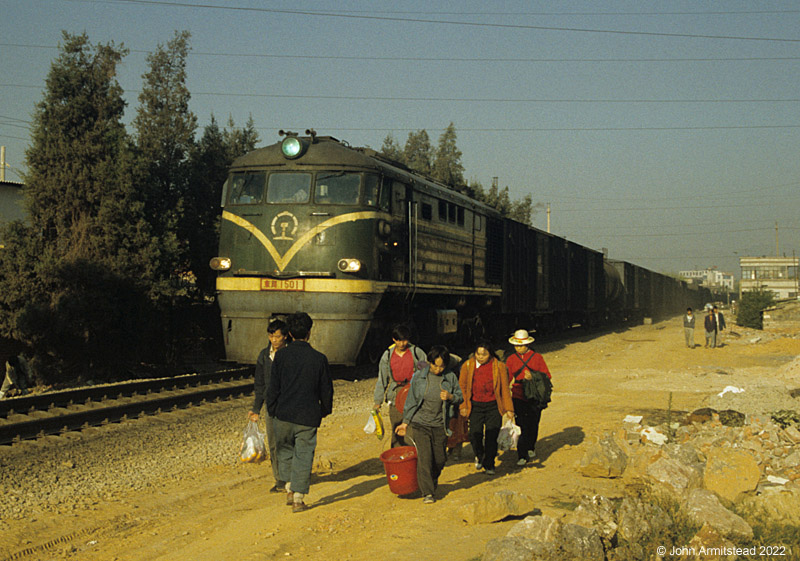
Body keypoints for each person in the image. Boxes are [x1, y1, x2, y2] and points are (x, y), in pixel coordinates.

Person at [266, 312, 333, 513]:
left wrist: (272, 409)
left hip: (283, 414)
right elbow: (326, 390)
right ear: (309, 332)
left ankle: (287, 488)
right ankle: (297, 498)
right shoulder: (319, 359)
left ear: (289, 334)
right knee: (303, 455)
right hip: (307, 416)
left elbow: (273, 387)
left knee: (285, 451)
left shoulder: (280, 356)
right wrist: (324, 410)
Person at [395, 345, 463, 504]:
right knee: (425, 458)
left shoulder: (450, 377)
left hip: (440, 425)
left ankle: (431, 481)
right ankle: (428, 492)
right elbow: (411, 401)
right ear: (429, 362)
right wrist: (405, 423)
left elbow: (460, 397)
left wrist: (451, 396)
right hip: (420, 424)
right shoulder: (419, 377)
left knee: (440, 459)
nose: (438, 369)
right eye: (434, 365)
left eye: (441, 366)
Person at [249, 319, 291, 493]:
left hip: (288, 405)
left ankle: (291, 476)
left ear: (285, 336)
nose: (274, 340)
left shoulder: (291, 354)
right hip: (271, 406)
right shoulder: (264, 356)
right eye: (271, 336)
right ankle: (280, 479)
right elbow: (259, 384)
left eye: (278, 336)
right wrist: (256, 408)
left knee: (288, 441)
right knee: (273, 443)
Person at [459, 340, 514, 475]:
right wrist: (464, 405)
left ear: (490, 354)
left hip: (493, 406)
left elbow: (504, 389)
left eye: (484, 354)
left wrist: (509, 409)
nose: (481, 357)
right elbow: (463, 387)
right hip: (475, 406)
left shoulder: (499, 367)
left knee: (491, 435)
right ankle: (480, 454)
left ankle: (489, 464)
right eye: (478, 354)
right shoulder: (467, 366)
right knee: (474, 434)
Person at [373, 325, 427, 447]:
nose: (402, 343)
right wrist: (378, 401)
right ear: (393, 339)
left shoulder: (416, 352)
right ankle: (398, 456)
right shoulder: (387, 356)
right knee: (396, 427)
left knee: (412, 427)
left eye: (404, 340)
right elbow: (382, 379)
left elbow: (425, 373)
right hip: (396, 394)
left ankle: (414, 456)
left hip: (413, 392)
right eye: (399, 340)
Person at [505, 330, 552, 466]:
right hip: (519, 395)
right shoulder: (511, 359)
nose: (518, 348)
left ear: (528, 345)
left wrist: (533, 376)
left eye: (521, 345)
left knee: (533, 423)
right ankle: (522, 454)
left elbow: (547, 376)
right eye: (516, 345)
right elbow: (507, 377)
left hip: (535, 396)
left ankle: (531, 446)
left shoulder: (537, 358)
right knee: (522, 425)